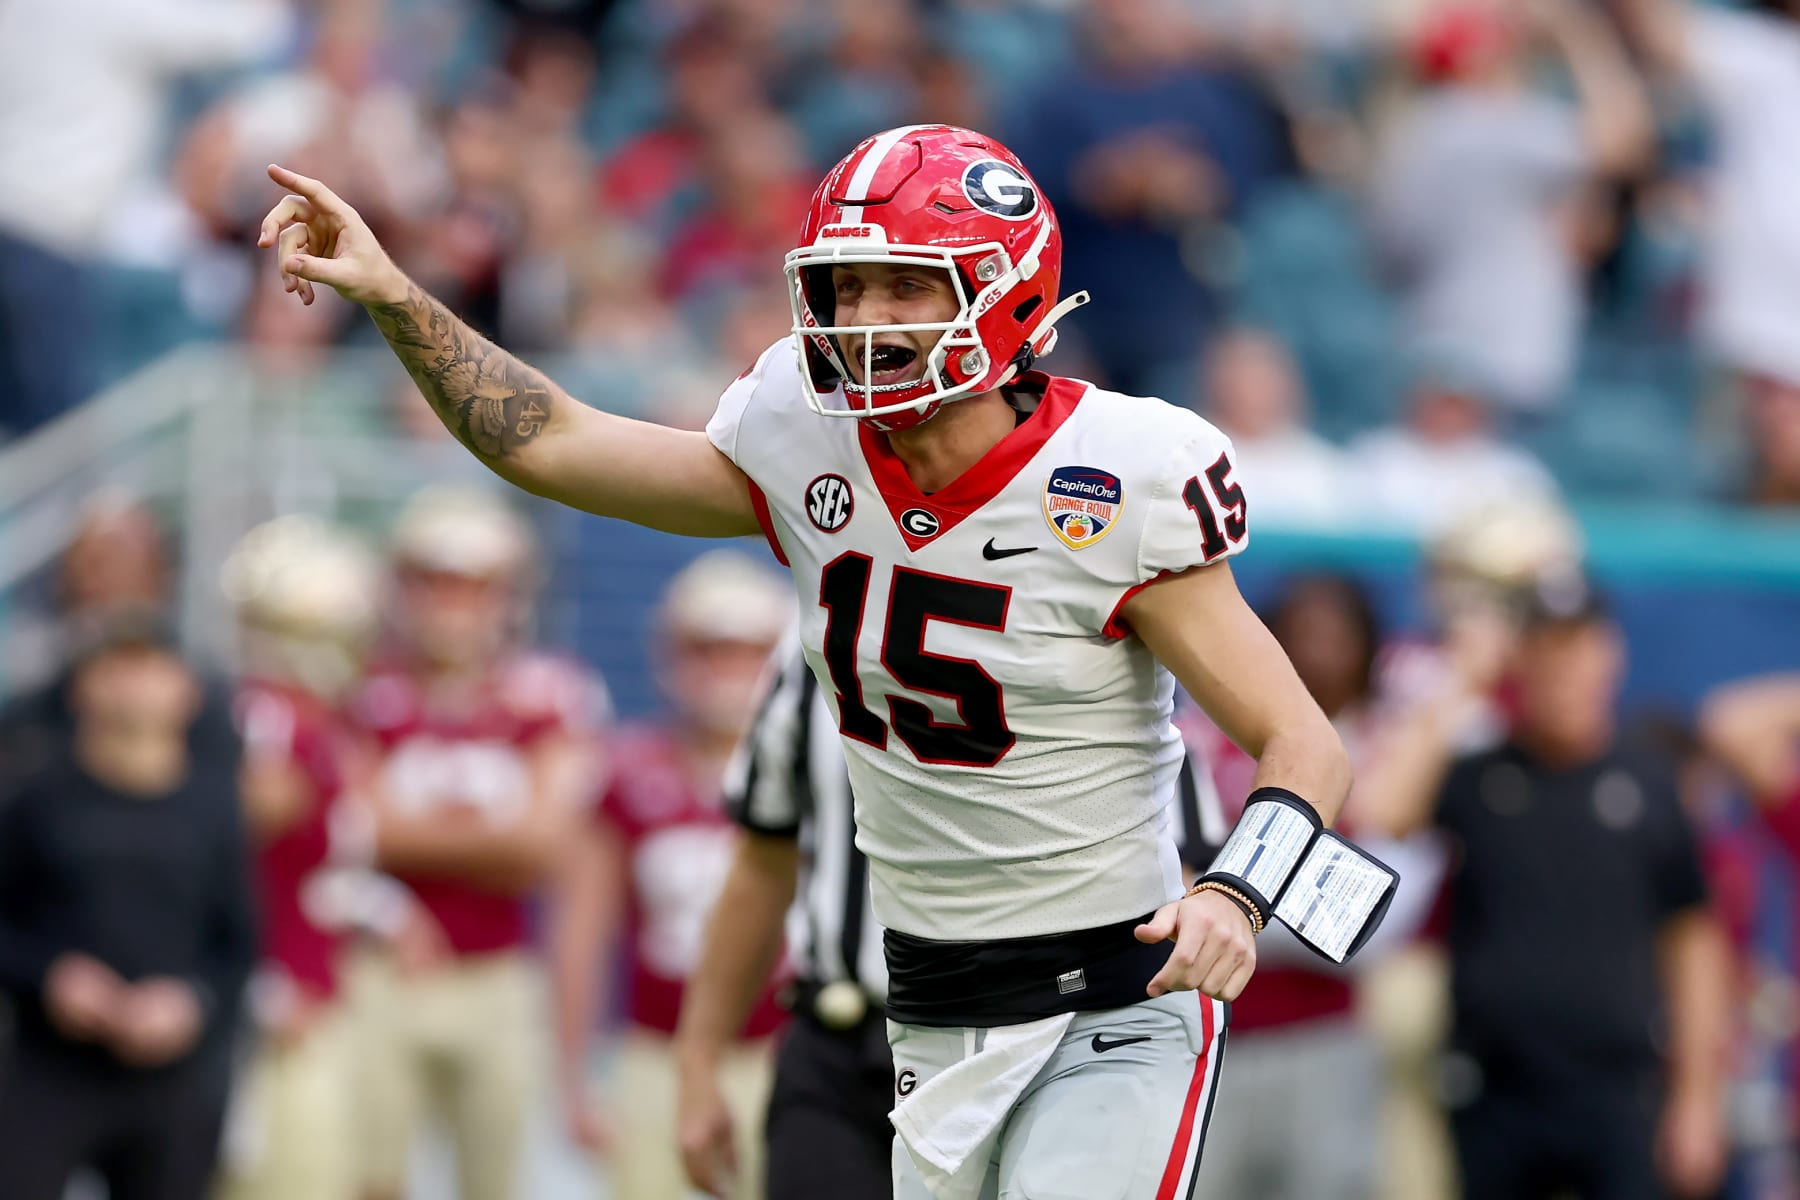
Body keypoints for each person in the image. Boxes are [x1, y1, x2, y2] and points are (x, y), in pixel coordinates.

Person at [259, 121, 1352, 1198]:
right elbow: (552, 442)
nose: (866, 320)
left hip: (1114, 991)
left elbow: (1300, 740)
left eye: (905, 287)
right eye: (846, 286)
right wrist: (397, 297)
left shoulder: (1116, 477)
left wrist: (1237, 896)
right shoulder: (804, 436)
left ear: (1008, 289)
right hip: (926, 999)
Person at [676, 634, 1226, 1200]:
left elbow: (1175, 868)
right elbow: (763, 863)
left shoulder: (1084, 629)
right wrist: (697, 1064)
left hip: (1032, 1042)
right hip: (842, 1045)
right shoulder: (816, 639)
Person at [1368, 576, 1732, 1200]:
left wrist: (1697, 1100)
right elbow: (1381, 809)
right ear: (1521, 662)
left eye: (1579, 648)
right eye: (1546, 649)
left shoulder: (1648, 784)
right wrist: (1459, 683)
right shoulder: (1480, 775)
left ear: (1610, 656)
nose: (1565, 670)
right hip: (1496, 1088)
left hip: (1619, 1090)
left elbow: (1693, 944)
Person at [342, 486, 606, 1200]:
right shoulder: (362, 687)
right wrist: (491, 839)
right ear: (401, 586)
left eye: (475, 586)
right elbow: (352, 832)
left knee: (495, 1182)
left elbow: (543, 848)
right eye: (436, 582)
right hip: (377, 970)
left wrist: (403, 834)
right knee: (368, 1178)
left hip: (500, 972)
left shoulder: (548, 693)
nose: (454, 604)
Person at [549, 550, 792, 1200]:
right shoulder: (630, 772)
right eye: (707, 649)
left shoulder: (814, 776)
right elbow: (582, 930)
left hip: (777, 1053)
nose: (725, 672)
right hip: (654, 1052)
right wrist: (575, 1077)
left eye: (744, 651)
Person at [0, 617, 257, 1200]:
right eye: (117, 665)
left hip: (173, 1081)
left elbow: (238, 942)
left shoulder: (214, 805)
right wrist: (50, 978)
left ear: (187, 690)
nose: (134, 684)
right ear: (82, 685)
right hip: (51, 1070)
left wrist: (191, 1001)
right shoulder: (37, 798)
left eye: (151, 665)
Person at [213, 515, 381, 1200]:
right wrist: (261, 977)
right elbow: (225, 861)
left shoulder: (316, 722)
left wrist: (386, 915)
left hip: (319, 1000)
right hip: (274, 1011)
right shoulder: (271, 721)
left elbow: (329, 873)